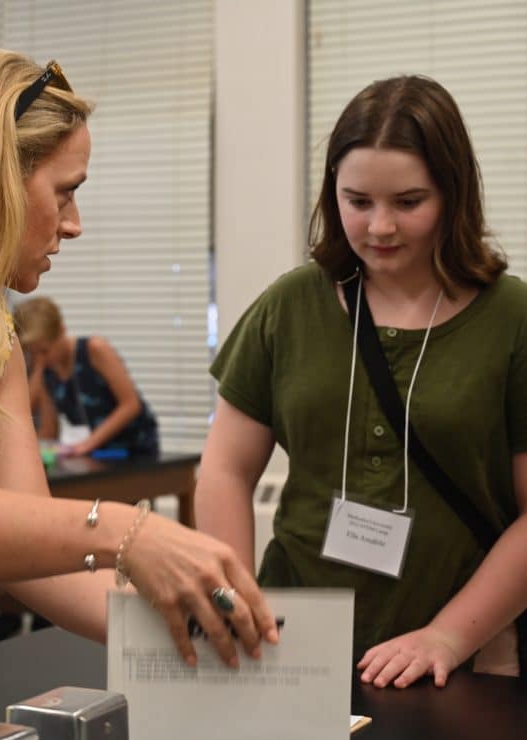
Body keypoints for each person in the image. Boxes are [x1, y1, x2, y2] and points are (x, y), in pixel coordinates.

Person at [195, 74, 527, 687]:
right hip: (290, 640)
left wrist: (448, 636)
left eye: (408, 202)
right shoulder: (291, 305)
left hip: (456, 655)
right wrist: (232, 601)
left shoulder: (510, 317)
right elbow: (225, 469)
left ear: (454, 196)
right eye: (358, 201)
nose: (380, 227)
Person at [0, 47, 278, 666]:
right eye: (64, 192)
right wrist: (125, 532)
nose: (75, 223)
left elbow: (35, 563)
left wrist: (200, 624)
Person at [13, 296, 159, 458]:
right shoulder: (47, 371)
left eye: (44, 351)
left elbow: (131, 404)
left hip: (135, 450)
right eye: (32, 354)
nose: (40, 360)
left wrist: (87, 444)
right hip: (96, 454)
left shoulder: (94, 349)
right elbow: (49, 429)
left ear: (62, 331)